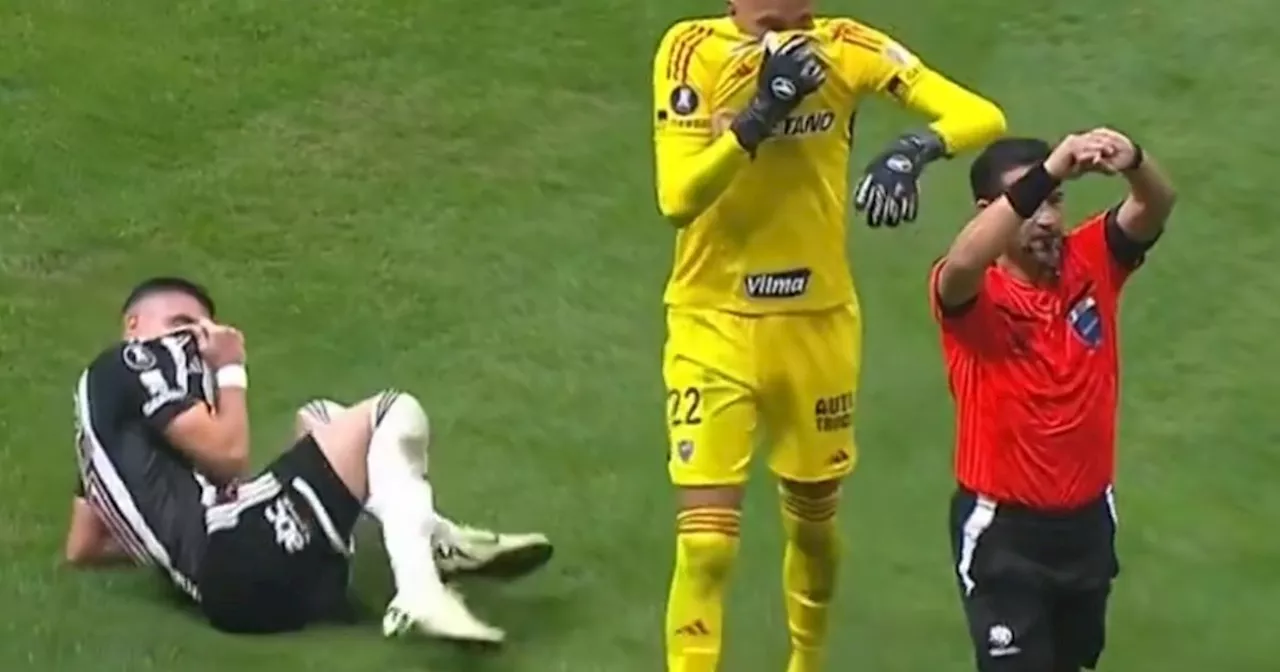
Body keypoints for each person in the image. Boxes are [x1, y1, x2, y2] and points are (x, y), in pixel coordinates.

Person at [650, 1, 1007, 669]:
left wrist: (913, 150)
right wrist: (761, 114)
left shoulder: (846, 47)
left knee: (812, 530)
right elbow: (677, 197)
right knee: (705, 544)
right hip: (711, 323)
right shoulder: (690, 50)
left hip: (817, 325)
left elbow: (980, 114)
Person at [64, 277, 554, 642]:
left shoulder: (104, 439)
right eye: (181, 325)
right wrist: (231, 366)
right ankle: (420, 586)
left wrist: (168, 551)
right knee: (392, 410)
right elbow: (230, 455)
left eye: (202, 329)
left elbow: (82, 548)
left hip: (239, 595)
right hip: (240, 552)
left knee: (320, 416)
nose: (195, 340)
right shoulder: (131, 362)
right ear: (134, 326)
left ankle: (434, 539)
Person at [929, 129, 1176, 671]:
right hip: (1004, 534)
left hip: (1087, 526)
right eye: (1031, 202)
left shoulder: (1093, 260)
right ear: (987, 210)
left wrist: (1133, 158)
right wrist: (1052, 170)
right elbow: (964, 260)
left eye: (1056, 202)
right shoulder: (974, 294)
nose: (1045, 218)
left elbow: (1156, 204)